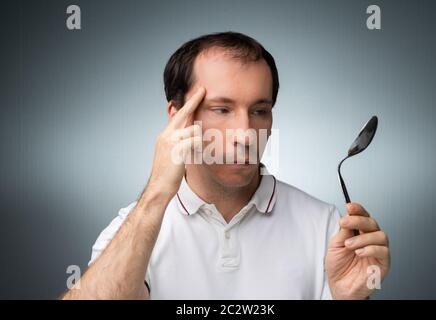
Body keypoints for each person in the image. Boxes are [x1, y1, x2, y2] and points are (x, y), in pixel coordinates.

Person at [62, 31, 390, 300]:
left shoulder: (327, 228)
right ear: (178, 117)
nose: (246, 134)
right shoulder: (132, 231)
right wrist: (158, 193)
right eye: (221, 110)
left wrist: (349, 298)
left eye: (259, 110)